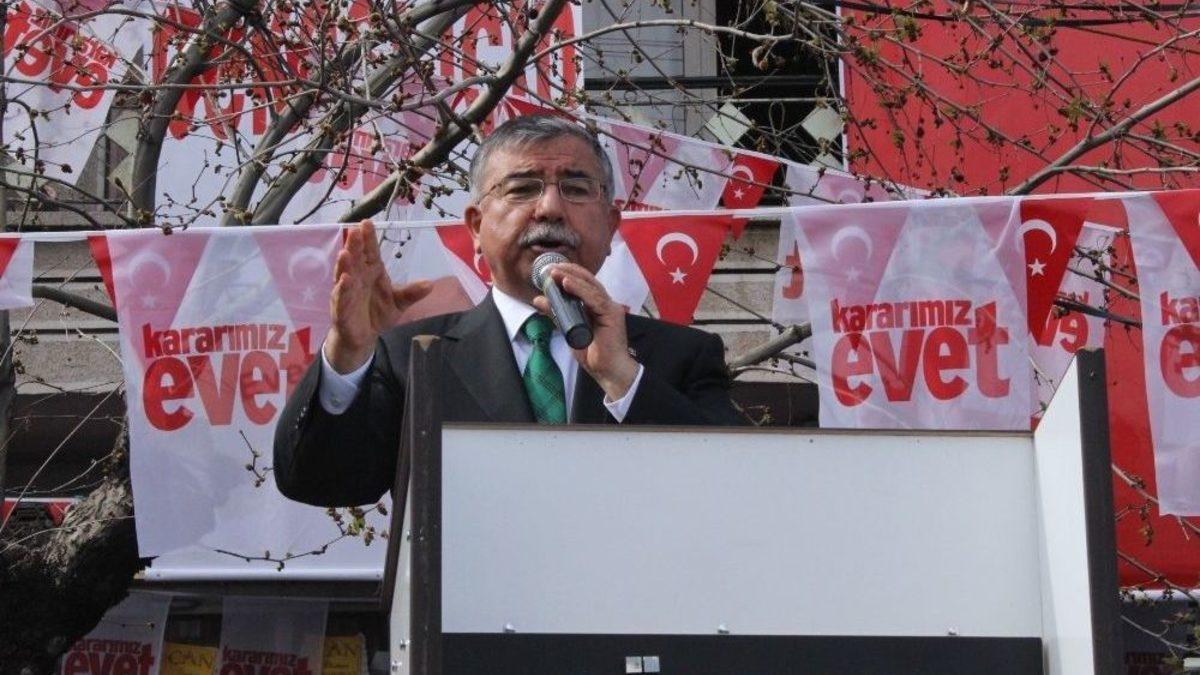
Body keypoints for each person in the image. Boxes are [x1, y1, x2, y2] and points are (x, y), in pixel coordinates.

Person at [273, 115, 745, 507]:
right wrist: (348, 355)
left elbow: (738, 486)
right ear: (476, 228)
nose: (550, 208)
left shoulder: (681, 356)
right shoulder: (412, 355)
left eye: (576, 188)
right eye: (523, 189)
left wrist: (622, 378)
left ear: (610, 225)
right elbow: (319, 482)